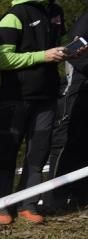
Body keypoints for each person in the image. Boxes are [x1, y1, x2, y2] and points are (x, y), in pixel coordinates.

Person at [0, 0, 75, 225]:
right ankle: (0, 205)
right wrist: (42, 56)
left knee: (38, 152)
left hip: (47, 96)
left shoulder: (56, 11)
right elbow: (0, 59)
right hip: (15, 97)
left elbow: (59, 43)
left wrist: (70, 50)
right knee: (7, 152)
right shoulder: (14, 15)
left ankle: (28, 204)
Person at [47, 10, 88, 209]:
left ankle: (81, 194)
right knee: (67, 138)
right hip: (79, 88)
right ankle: (55, 195)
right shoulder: (85, 21)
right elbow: (74, 54)